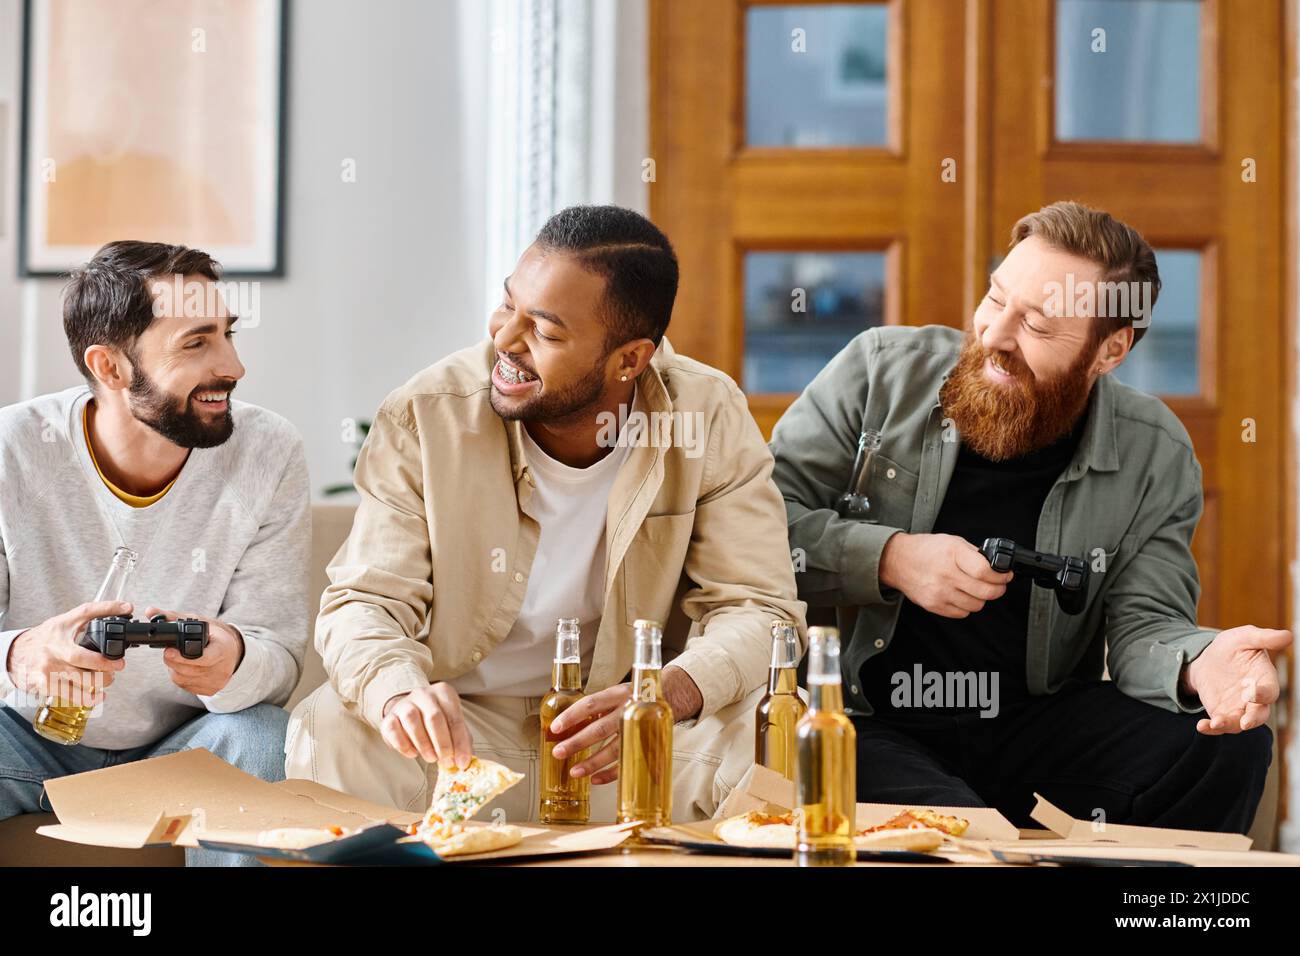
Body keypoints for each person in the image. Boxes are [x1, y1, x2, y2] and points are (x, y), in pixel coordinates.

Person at [770, 201, 1290, 833]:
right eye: (995, 299)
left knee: (1225, 748)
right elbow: (763, 531)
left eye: (1037, 327)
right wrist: (891, 558)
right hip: (868, 720)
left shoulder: (1155, 450)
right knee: (954, 830)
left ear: (1110, 351)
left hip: (1029, 724)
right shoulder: (878, 371)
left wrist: (1198, 664)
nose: (994, 335)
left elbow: (1145, 624)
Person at [286, 205, 804, 821]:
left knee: (774, 729)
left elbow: (760, 609)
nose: (504, 339)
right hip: (462, 738)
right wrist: (400, 693)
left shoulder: (706, 414)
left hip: (629, 738)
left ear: (630, 360)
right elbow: (364, 601)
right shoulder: (426, 414)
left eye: (546, 332)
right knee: (333, 725)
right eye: (509, 305)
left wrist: (666, 693)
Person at [0, 242, 311, 865]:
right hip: (28, 747)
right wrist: (20, 653)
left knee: (263, 738)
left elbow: (278, 655)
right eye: (196, 344)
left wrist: (237, 658)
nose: (233, 366)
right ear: (110, 367)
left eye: (227, 334)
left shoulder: (269, 451)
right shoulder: (11, 450)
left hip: (183, 749)